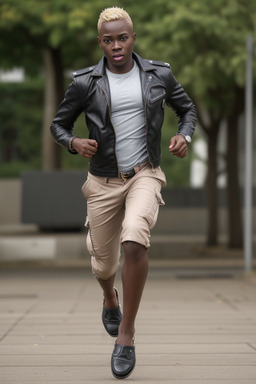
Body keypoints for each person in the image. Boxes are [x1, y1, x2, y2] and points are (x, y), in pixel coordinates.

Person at [50, 6, 196, 380]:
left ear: (133, 37)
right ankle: (109, 297)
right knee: (103, 265)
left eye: (123, 37)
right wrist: (73, 142)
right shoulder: (84, 82)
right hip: (102, 182)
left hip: (144, 174)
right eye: (108, 40)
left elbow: (186, 109)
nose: (116, 45)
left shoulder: (158, 74)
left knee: (135, 240)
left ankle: (126, 336)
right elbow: (58, 124)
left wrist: (185, 135)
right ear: (100, 42)